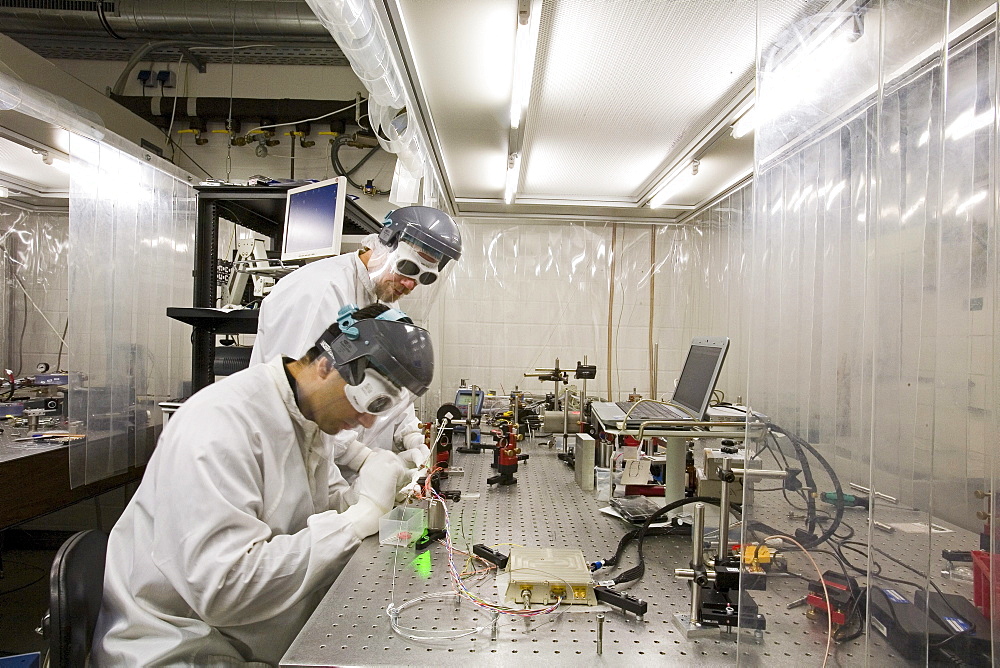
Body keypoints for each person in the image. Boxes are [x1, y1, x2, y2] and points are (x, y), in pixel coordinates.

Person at [92, 304, 433, 666]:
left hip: (249, 636)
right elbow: (224, 589)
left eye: (381, 409)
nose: (366, 419)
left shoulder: (307, 418)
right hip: (181, 645)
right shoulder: (221, 425)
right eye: (368, 401)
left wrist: (373, 492)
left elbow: (320, 506)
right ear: (326, 365)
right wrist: (356, 521)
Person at [249, 205, 462, 471]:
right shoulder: (320, 292)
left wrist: (411, 434)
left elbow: (392, 379)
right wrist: (361, 459)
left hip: (339, 473)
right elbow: (306, 398)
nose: (410, 284)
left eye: (425, 278)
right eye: (408, 267)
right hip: (295, 464)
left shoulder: (385, 301)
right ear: (385, 242)